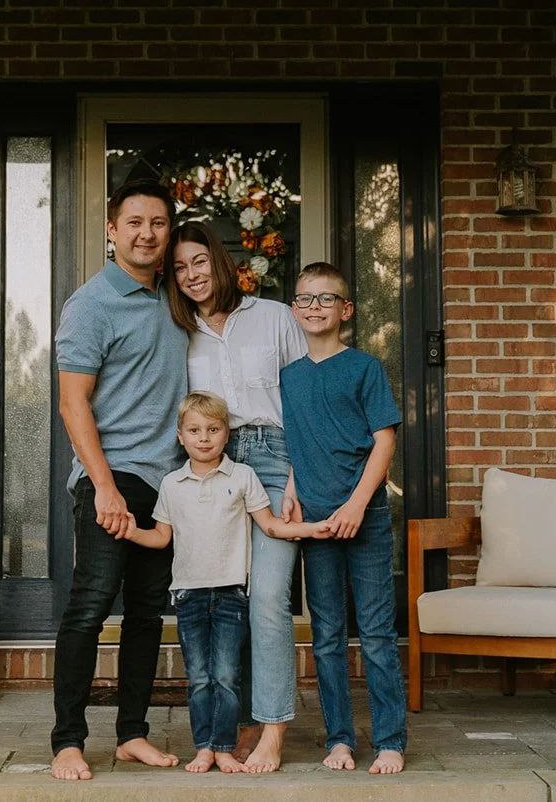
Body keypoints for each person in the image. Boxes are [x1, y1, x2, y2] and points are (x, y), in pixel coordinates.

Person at [49, 180, 189, 781]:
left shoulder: (176, 299)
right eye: (133, 222)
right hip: (114, 477)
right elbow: (72, 405)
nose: (146, 233)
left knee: (147, 614)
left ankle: (132, 734)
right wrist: (102, 486)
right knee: (91, 605)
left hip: (170, 481)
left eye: (157, 223)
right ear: (112, 231)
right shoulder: (91, 303)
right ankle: (67, 741)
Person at [120, 391, 329, 773]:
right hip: (188, 596)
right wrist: (132, 532)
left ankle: (223, 746)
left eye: (213, 429)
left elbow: (270, 525)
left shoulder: (243, 476)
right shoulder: (171, 484)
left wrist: (312, 528)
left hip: (232, 593)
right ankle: (204, 746)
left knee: (227, 676)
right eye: (194, 430)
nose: (204, 438)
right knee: (199, 677)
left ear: (227, 433)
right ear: (180, 436)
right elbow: (161, 538)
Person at [164, 220, 308, 773]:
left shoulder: (273, 317)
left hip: (275, 460)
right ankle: (238, 725)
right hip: (213, 466)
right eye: (179, 268)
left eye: (198, 261)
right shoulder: (180, 334)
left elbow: (304, 400)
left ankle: (272, 729)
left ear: (220, 261)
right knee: (228, 595)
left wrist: (297, 476)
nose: (191, 275)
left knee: (270, 594)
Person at [280, 262, 407, 776]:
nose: (314, 306)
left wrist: (357, 504)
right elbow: (297, 443)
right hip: (315, 522)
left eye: (325, 298)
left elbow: (385, 440)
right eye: (305, 299)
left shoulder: (364, 368)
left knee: (376, 633)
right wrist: (291, 489)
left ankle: (391, 741)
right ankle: (339, 739)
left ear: (345, 310)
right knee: (327, 634)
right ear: (294, 309)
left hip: (366, 516)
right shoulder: (289, 376)